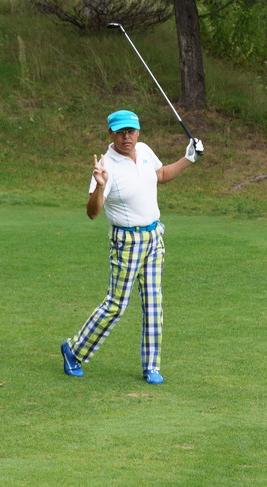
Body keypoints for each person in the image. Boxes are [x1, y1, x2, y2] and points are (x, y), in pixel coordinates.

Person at [60, 110, 203, 384]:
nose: (127, 137)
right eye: (121, 132)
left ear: (138, 132)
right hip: (126, 240)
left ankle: (151, 366)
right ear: (111, 134)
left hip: (153, 237)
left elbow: (160, 175)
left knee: (153, 304)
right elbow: (92, 212)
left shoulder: (145, 150)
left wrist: (189, 158)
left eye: (132, 131)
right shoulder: (106, 165)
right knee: (116, 305)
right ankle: (73, 350)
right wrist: (101, 187)